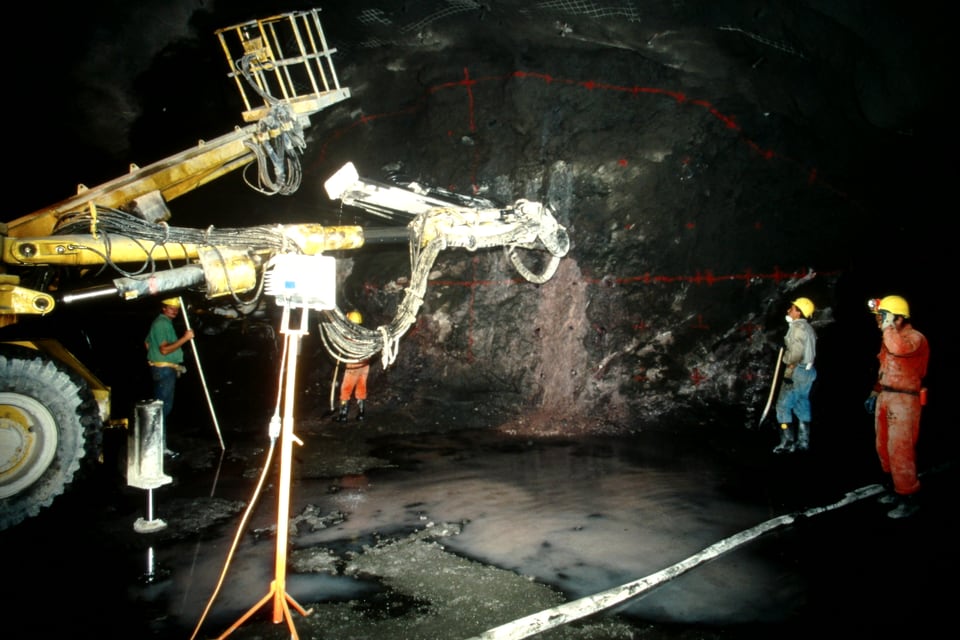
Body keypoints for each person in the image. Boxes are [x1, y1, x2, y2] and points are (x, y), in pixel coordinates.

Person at [865, 295, 929, 519]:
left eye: (883, 316)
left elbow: (898, 349)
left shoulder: (915, 338)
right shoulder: (890, 337)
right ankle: (894, 490)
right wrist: (875, 391)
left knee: (900, 451)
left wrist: (888, 326)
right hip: (887, 396)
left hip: (905, 400)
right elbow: (885, 366)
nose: (879, 321)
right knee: (883, 447)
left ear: (899, 317)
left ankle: (908, 498)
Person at [772, 297, 817, 454]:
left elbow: (795, 354)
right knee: (801, 404)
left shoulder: (797, 328)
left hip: (796, 370)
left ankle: (787, 442)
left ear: (799, 312)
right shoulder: (808, 328)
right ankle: (804, 442)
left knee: (782, 406)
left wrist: (786, 360)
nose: (788, 310)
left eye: (792, 308)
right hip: (808, 371)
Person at [145, 297, 194, 438]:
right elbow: (164, 350)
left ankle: (158, 443)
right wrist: (185, 338)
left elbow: (147, 343)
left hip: (163, 368)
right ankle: (158, 444)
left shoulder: (163, 322)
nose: (175, 311)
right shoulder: (162, 323)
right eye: (171, 308)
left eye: (177, 308)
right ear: (164, 308)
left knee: (161, 408)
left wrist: (154, 356)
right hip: (164, 370)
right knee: (163, 409)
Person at [335, 310, 371, 422]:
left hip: (353, 364)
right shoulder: (364, 333)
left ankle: (343, 415)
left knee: (346, 388)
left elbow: (344, 345)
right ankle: (361, 414)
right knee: (361, 386)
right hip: (365, 363)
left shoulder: (350, 334)